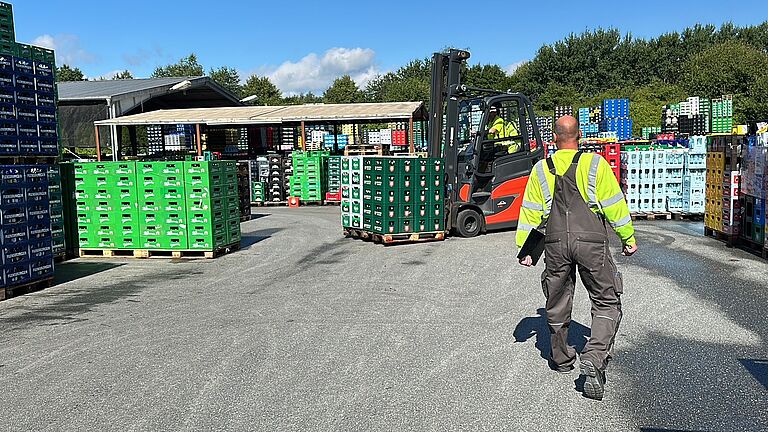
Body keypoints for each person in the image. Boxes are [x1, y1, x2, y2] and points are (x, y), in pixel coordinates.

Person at [516, 115, 638, 401]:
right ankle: (594, 357)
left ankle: (561, 360)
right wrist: (627, 238)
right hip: (591, 241)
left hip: (555, 242)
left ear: (554, 139)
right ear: (579, 135)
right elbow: (613, 204)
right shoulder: (595, 165)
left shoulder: (540, 169)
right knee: (606, 299)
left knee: (556, 300)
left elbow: (531, 211)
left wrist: (526, 250)